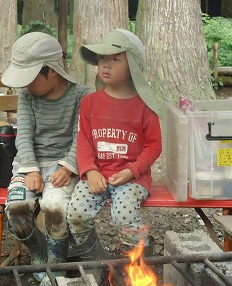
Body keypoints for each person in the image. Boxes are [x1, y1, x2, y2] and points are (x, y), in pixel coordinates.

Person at [1, 32, 90, 286]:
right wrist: (30, 169)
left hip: (64, 167)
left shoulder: (81, 96)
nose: (25, 85)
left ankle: (57, 266)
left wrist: (69, 166)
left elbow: (82, 136)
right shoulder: (27, 97)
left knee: (55, 207)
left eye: (30, 78)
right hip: (29, 165)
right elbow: (24, 135)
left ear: (51, 71)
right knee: (16, 209)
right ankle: (38, 250)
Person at [66, 29, 162, 273]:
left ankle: (139, 267)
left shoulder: (145, 107)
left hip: (131, 179)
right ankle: (97, 262)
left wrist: (132, 171)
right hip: (96, 176)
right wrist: (89, 170)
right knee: (76, 215)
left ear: (132, 67)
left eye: (115, 59)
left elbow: (154, 146)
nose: (105, 65)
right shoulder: (90, 103)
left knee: (124, 217)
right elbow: (84, 140)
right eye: (101, 59)